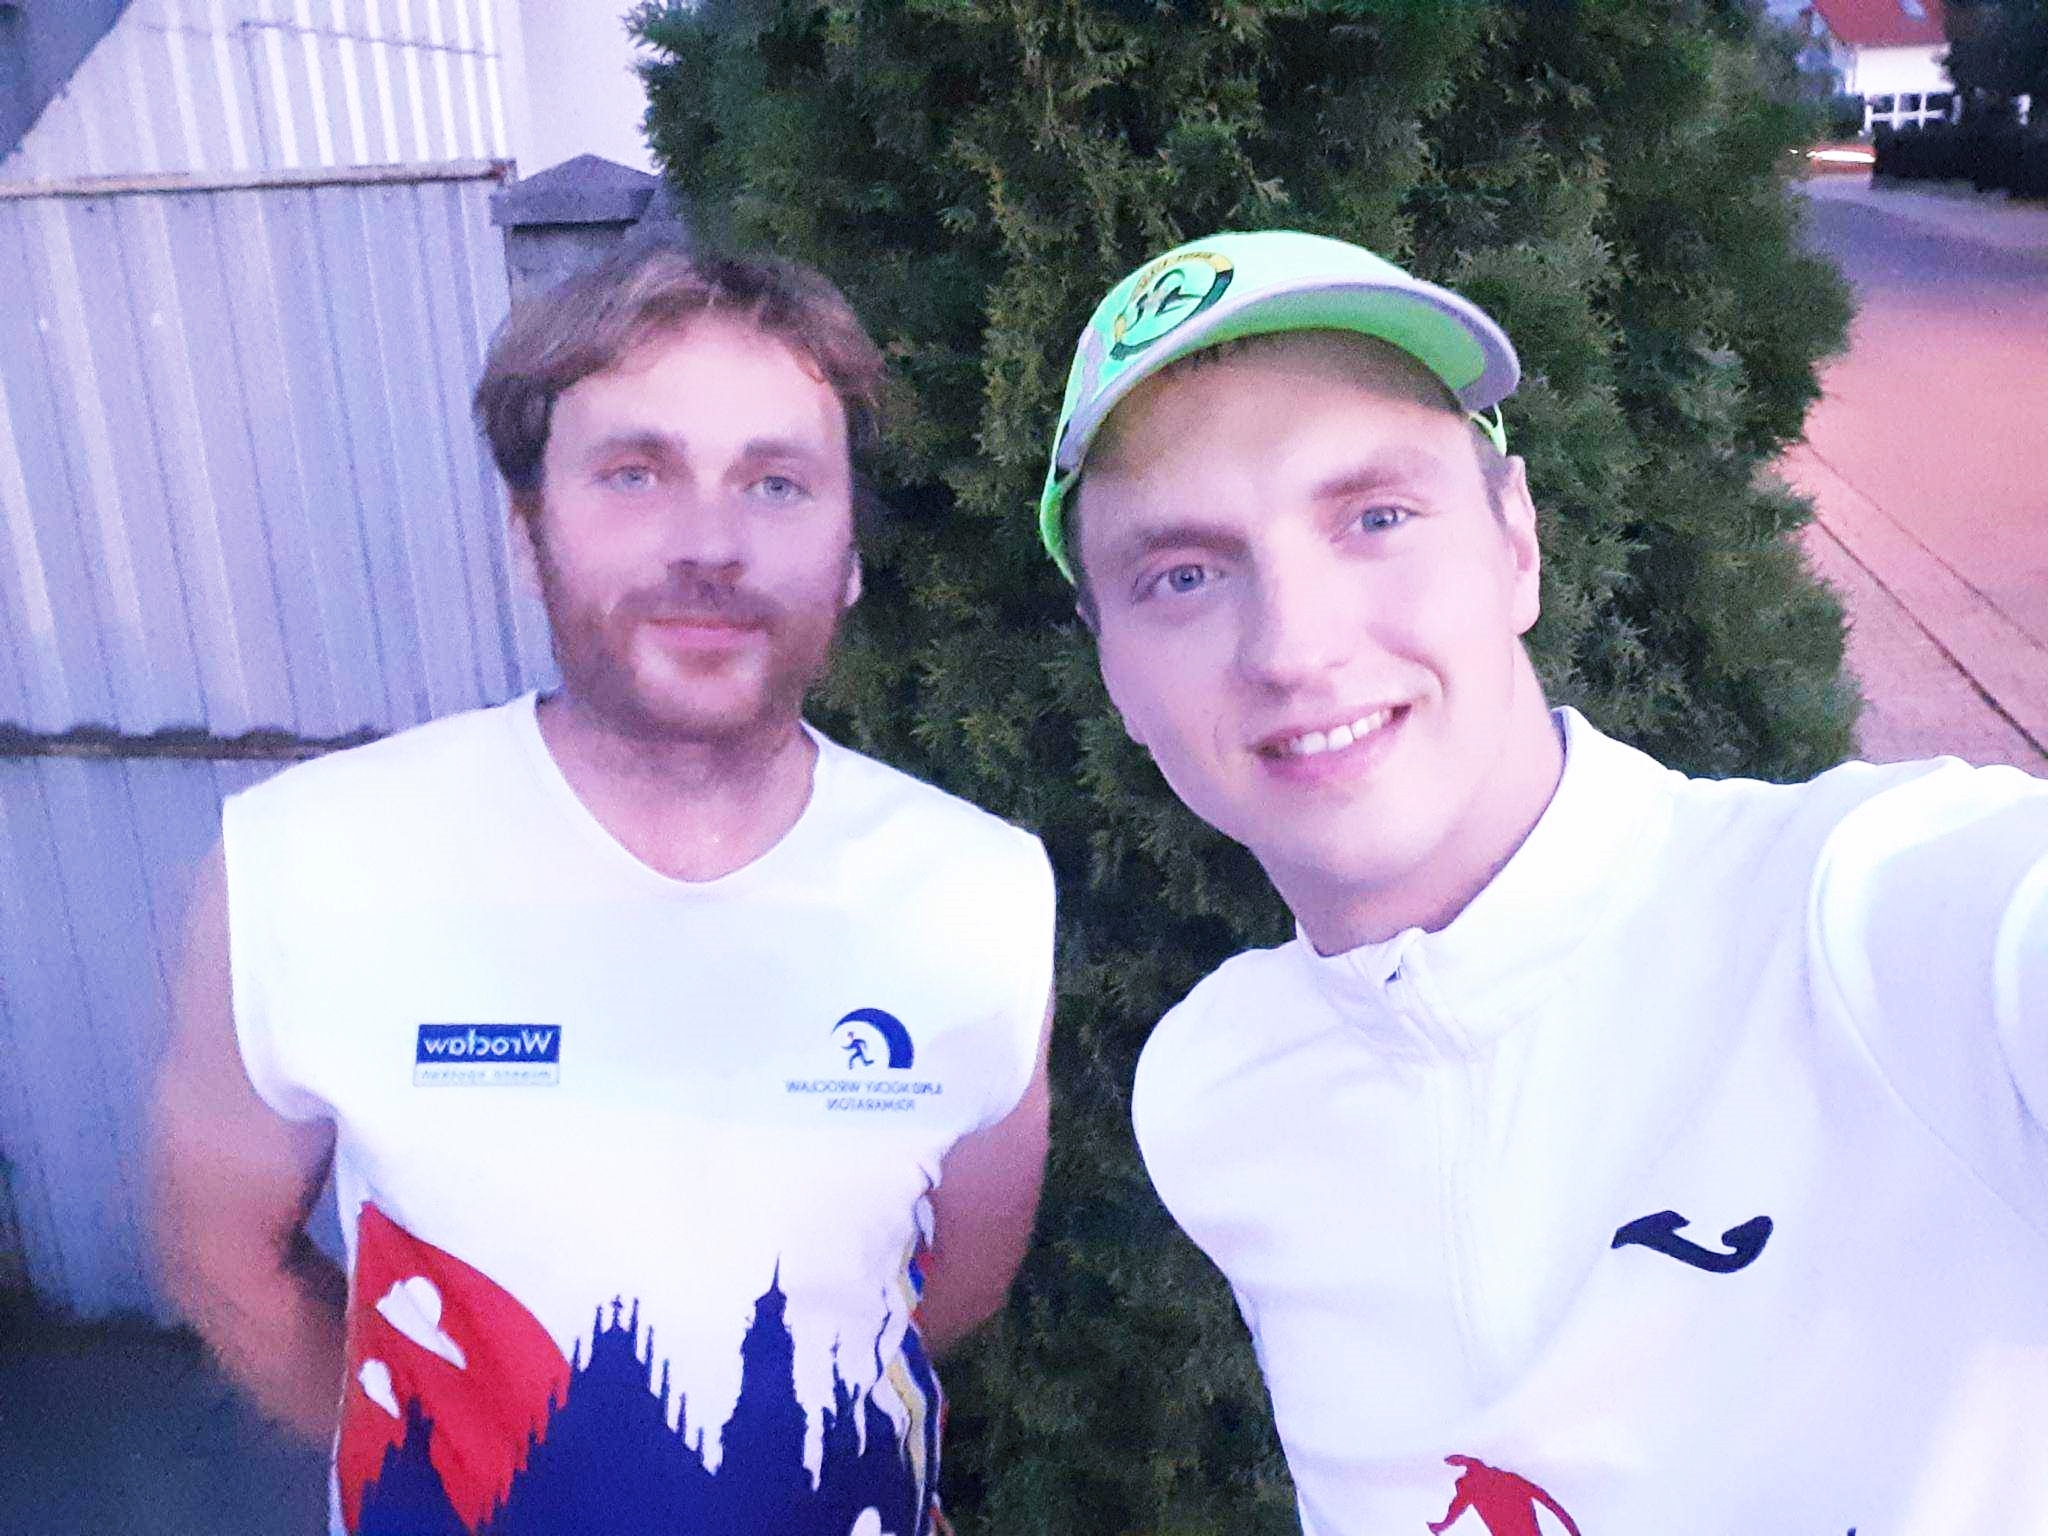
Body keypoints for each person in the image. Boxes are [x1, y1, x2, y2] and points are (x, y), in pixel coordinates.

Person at [1037, 229, 2048, 1533]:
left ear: (1516, 540)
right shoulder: (1215, 1090)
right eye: (1181, 575)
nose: (1294, 646)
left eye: (1375, 518)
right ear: (1109, 666)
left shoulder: (1866, 921)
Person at [151, 246, 1057, 1536]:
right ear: (529, 536)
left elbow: (951, 1285)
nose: (711, 546)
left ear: (850, 552)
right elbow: (225, 1260)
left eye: (778, 482)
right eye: (635, 473)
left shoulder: (979, 889)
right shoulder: (308, 862)